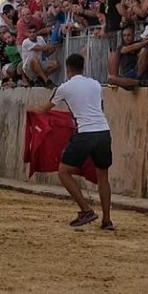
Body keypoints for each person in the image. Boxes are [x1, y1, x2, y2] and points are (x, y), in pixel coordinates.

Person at [28, 53, 115, 230]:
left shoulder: (65, 87)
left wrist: (31, 110)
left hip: (85, 133)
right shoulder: (96, 84)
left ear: (68, 69)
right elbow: (99, 108)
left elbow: (44, 110)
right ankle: (107, 221)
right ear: (83, 67)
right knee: (103, 177)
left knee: (64, 172)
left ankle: (86, 209)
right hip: (104, 131)